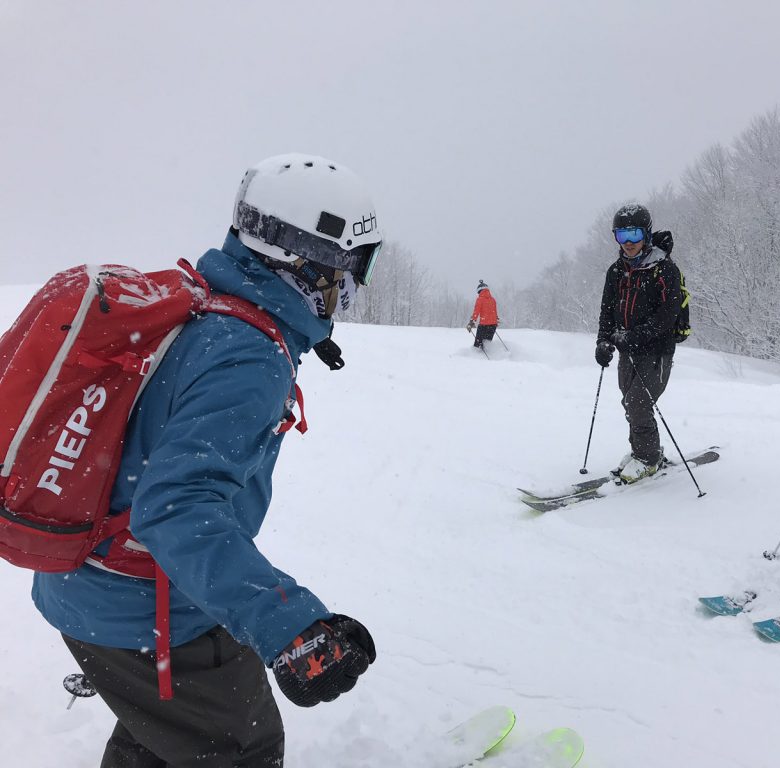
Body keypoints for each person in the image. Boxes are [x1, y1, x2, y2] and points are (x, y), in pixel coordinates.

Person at [31, 154, 382, 766]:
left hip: (85, 589)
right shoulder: (247, 356)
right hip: (145, 612)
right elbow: (174, 510)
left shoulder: (204, 308)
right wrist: (290, 626)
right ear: (304, 258)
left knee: (160, 730)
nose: (350, 288)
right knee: (238, 747)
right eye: (350, 267)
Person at [595, 203, 689, 483]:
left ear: (646, 234)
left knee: (639, 402)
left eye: (634, 235)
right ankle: (642, 450)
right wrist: (603, 341)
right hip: (628, 349)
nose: (629, 243)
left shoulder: (664, 270)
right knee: (629, 401)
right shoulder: (616, 272)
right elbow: (606, 310)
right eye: (622, 236)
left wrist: (634, 337)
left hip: (657, 350)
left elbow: (666, 318)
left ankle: (648, 459)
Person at [467, 279, 499, 348]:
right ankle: (490, 355)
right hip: (493, 325)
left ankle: (477, 357)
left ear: (479, 291)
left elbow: (476, 311)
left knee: (478, 344)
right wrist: (496, 320)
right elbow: (495, 311)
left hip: (484, 325)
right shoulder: (493, 299)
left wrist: (471, 322)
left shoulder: (480, 299)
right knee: (487, 343)